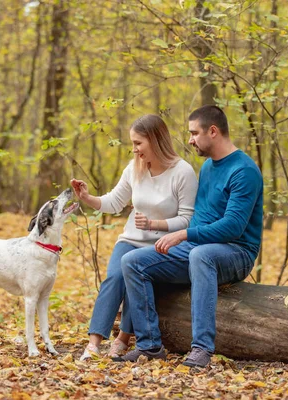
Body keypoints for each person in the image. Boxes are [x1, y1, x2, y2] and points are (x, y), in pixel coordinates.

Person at [114, 105, 263, 368]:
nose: (190, 140)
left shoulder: (244, 171)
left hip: (236, 251)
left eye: (194, 133)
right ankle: (149, 345)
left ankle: (202, 348)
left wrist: (183, 234)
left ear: (213, 131)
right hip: (198, 247)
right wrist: (173, 233)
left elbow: (233, 227)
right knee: (132, 262)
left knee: (201, 255)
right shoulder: (207, 167)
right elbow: (199, 216)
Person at [71, 114, 198, 361]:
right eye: (133, 143)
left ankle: (123, 338)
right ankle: (94, 343)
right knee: (115, 277)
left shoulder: (183, 172)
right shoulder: (135, 167)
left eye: (138, 143)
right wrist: (87, 198)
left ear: (155, 139)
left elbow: (187, 220)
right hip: (131, 240)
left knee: (136, 277)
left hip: (162, 246)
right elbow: (114, 201)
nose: (134, 149)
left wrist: (155, 224)